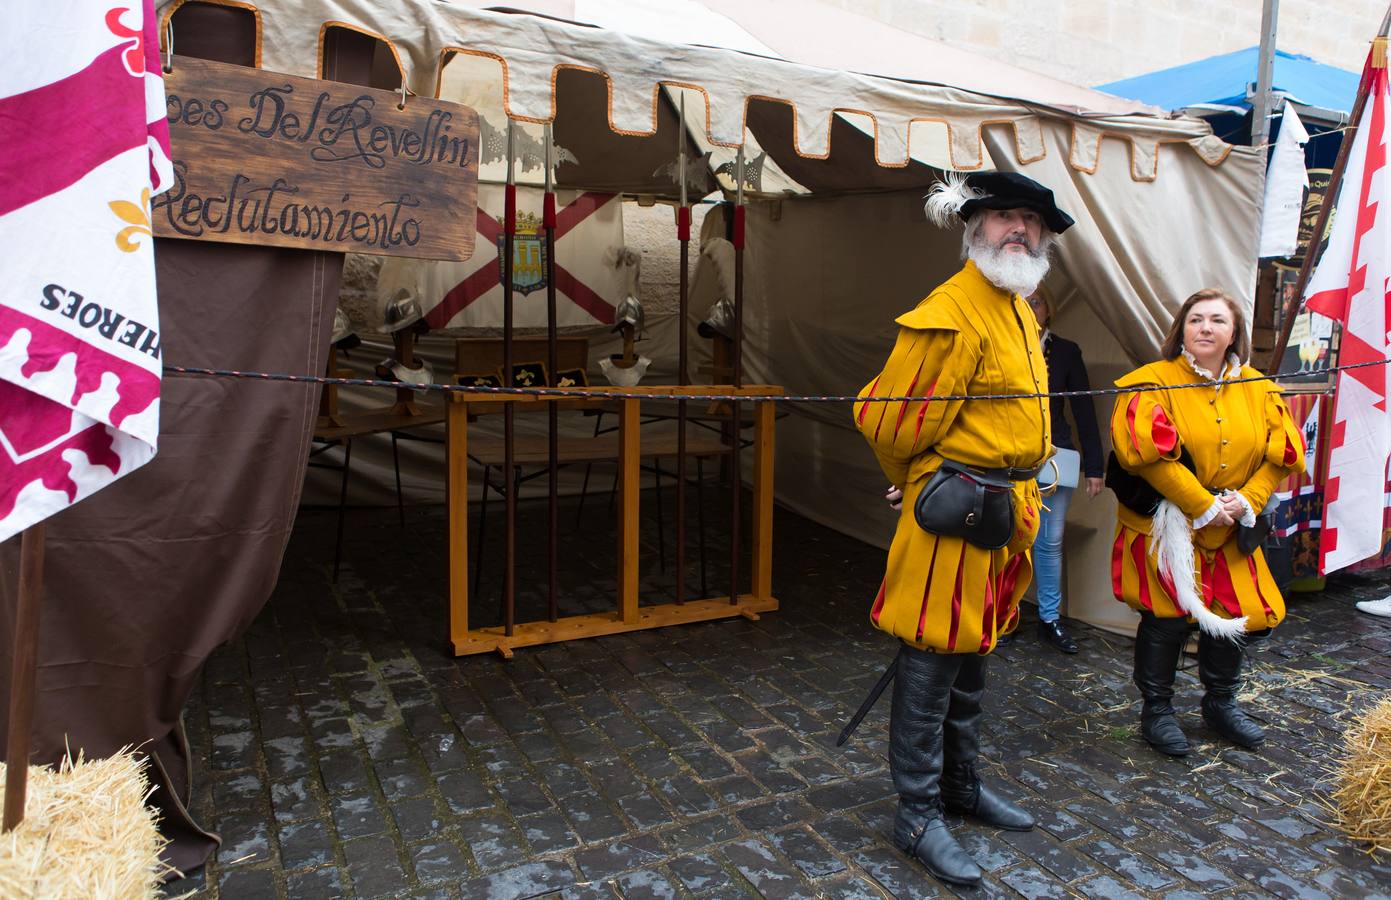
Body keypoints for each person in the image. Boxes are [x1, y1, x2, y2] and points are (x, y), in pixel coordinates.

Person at [854, 171, 1073, 887]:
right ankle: (916, 814)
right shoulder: (950, 311)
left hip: (1005, 513)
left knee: (973, 658)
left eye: (1030, 221)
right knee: (930, 662)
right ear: (971, 228)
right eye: (1004, 217)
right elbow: (885, 416)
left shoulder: (1015, 305)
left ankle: (959, 786)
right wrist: (914, 478)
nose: (1019, 229)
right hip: (956, 512)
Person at [1109, 288, 1305, 757]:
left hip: (1234, 524)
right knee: (1167, 619)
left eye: (1217, 320)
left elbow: (1282, 455)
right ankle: (1156, 712)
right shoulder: (1150, 382)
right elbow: (1148, 456)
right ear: (1182, 328)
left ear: (1233, 333)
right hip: (1169, 523)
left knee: (1233, 618)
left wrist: (1246, 500)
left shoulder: (1259, 388)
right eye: (1196, 319)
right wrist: (1201, 504)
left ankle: (1220, 704)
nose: (1206, 328)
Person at [1025, 289, 1105, 653]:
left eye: (1036, 301)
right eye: (1021, 301)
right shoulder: (997, 346)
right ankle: (1002, 616)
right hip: (1007, 458)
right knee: (1005, 539)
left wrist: (1095, 466)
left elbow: (1084, 410)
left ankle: (1049, 619)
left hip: (1056, 456)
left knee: (1049, 541)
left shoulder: (1066, 351)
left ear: (1049, 308)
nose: (1029, 307)